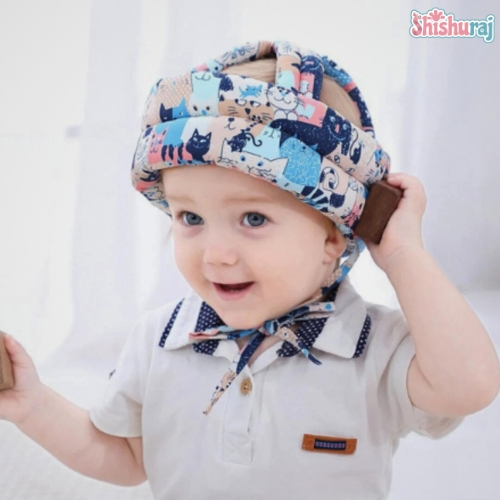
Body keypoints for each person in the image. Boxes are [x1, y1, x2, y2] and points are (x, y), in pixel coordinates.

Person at [1, 40, 499, 499]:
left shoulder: (374, 347)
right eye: (190, 218)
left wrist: (402, 254)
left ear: (333, 235)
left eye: (253, 219)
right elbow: (129, 458)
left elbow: (470, 385)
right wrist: (34, 404)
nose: (215, 254)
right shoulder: (160, 340)